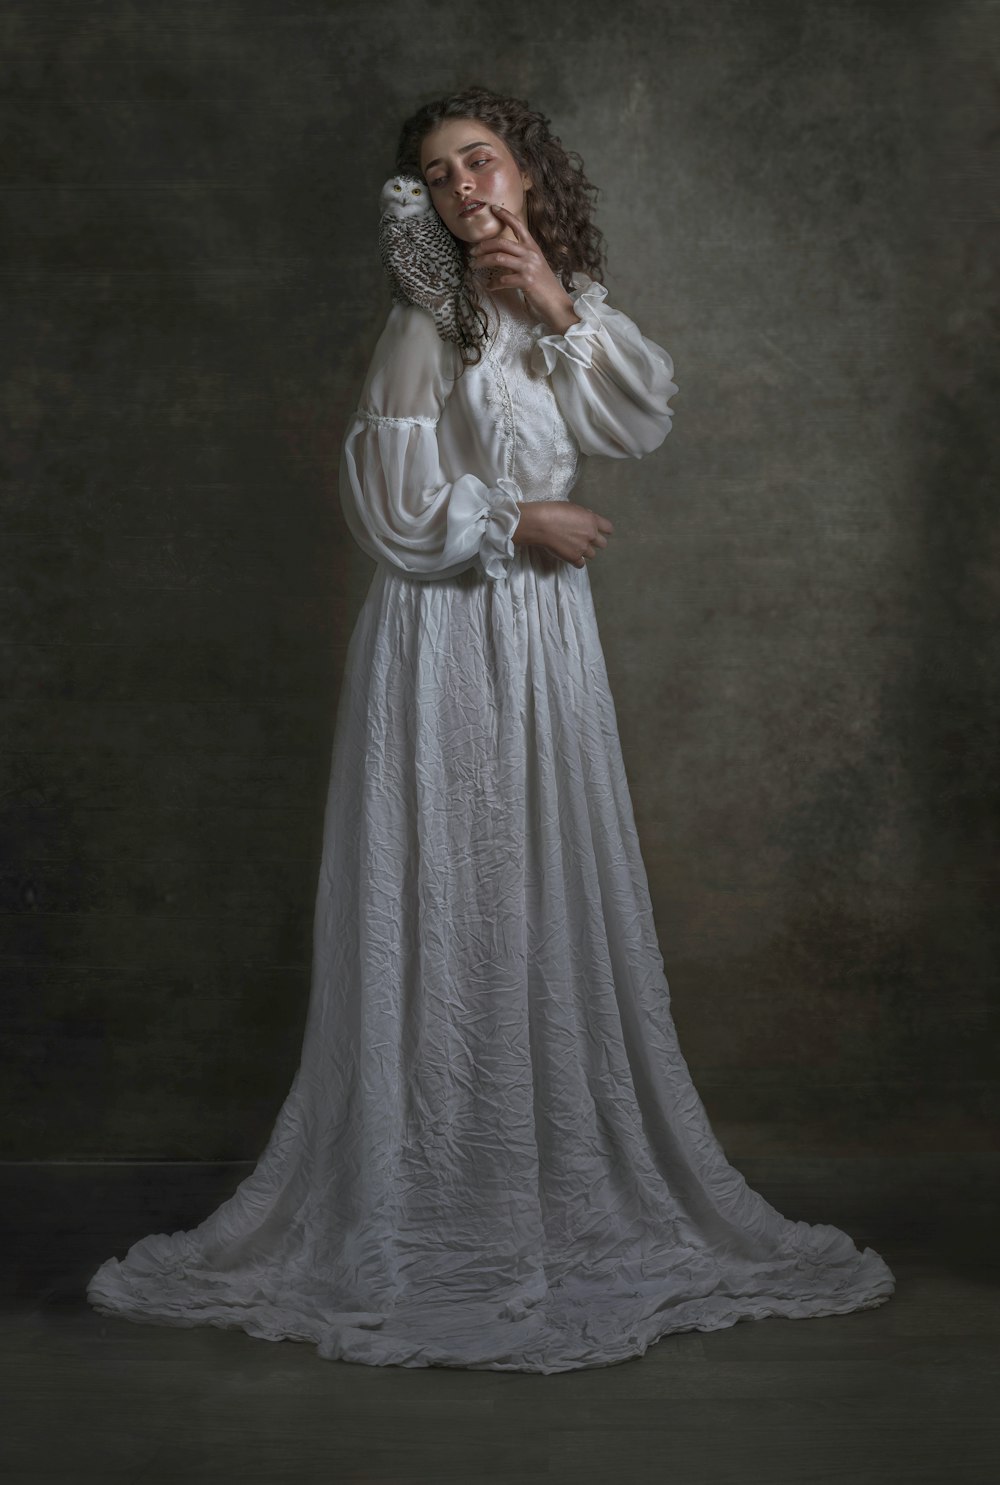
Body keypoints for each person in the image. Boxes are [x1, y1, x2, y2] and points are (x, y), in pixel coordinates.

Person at [86, 86, 895, 1373]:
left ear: (526, 174)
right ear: (423, 206)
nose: (467, 188)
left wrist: (559, 310)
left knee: (538, 890)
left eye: (482, 162)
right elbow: (387, 498)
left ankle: (543, 1185)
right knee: (452, 887)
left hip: (548, 644)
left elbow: (635, 418)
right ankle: (439, 1202)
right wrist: (518, 521)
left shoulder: (563, 308)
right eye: (439, 176)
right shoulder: (426, 321)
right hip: (448, 633)